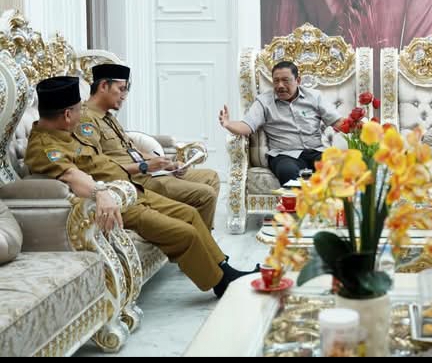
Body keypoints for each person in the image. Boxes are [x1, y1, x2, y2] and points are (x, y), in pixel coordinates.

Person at [25, 76, 257, 298]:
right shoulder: (44, 147)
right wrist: (100, 192)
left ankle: (224, 268)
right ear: (67, 114)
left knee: (190, 214)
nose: (81, 113)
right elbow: (72, 174)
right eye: (78, 109)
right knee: (184, 233)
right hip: (118, 202)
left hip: (133, 188)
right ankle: (221, 283)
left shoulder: (66, 131)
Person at [80, 64, 220, 230]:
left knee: (211, 177)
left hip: (148, 171)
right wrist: (145, 166)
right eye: (121, 89)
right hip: (135, 180)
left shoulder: (108, 116)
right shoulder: (86, 120)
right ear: (104, 86)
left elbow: (132, 150)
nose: (124, 96)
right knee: (206, 195)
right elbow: (96, 168)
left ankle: (199, 234)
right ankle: (196, 238)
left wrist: (166, 163)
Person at [219, 61, 342, 185]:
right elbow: (247, 126)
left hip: (316, 152)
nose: (280, 85)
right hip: (284, 155)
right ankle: (299, 198)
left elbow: (337, 122)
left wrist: (353, 124)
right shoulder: (264, 102)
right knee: (287, 171)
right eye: (276, 81)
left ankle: (328, 197)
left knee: (338, 166)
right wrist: (228, 124)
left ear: (298, 80)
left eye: (285, 80)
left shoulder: (314, 97)